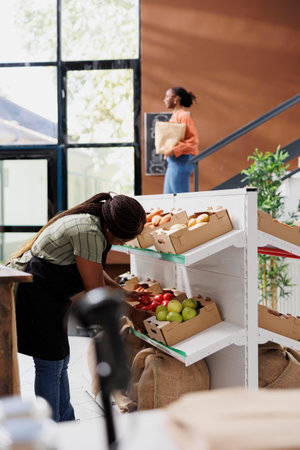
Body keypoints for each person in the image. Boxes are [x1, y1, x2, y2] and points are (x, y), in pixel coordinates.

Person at [6, 192, 147, 423]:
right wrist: (132, 311)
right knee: (49, 364)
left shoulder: (97, 224)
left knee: (61, 360)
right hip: (35, 294)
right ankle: (51, 426)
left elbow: (93, 266)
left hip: (51, 295)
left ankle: (66, 420)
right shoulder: (89, 231)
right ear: (111, 229)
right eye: (122, 240)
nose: (122, 244)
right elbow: (96, 291)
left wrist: (122, 292)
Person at [162, 86, 199, 194]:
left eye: (167, 96)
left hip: (181, 161)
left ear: (176, 99)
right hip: (173, 162)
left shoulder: (183, 116)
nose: (164, 99)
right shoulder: (175, 116)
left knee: (180, 198)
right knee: (168, 198)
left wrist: (174, 150)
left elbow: (193, 141)